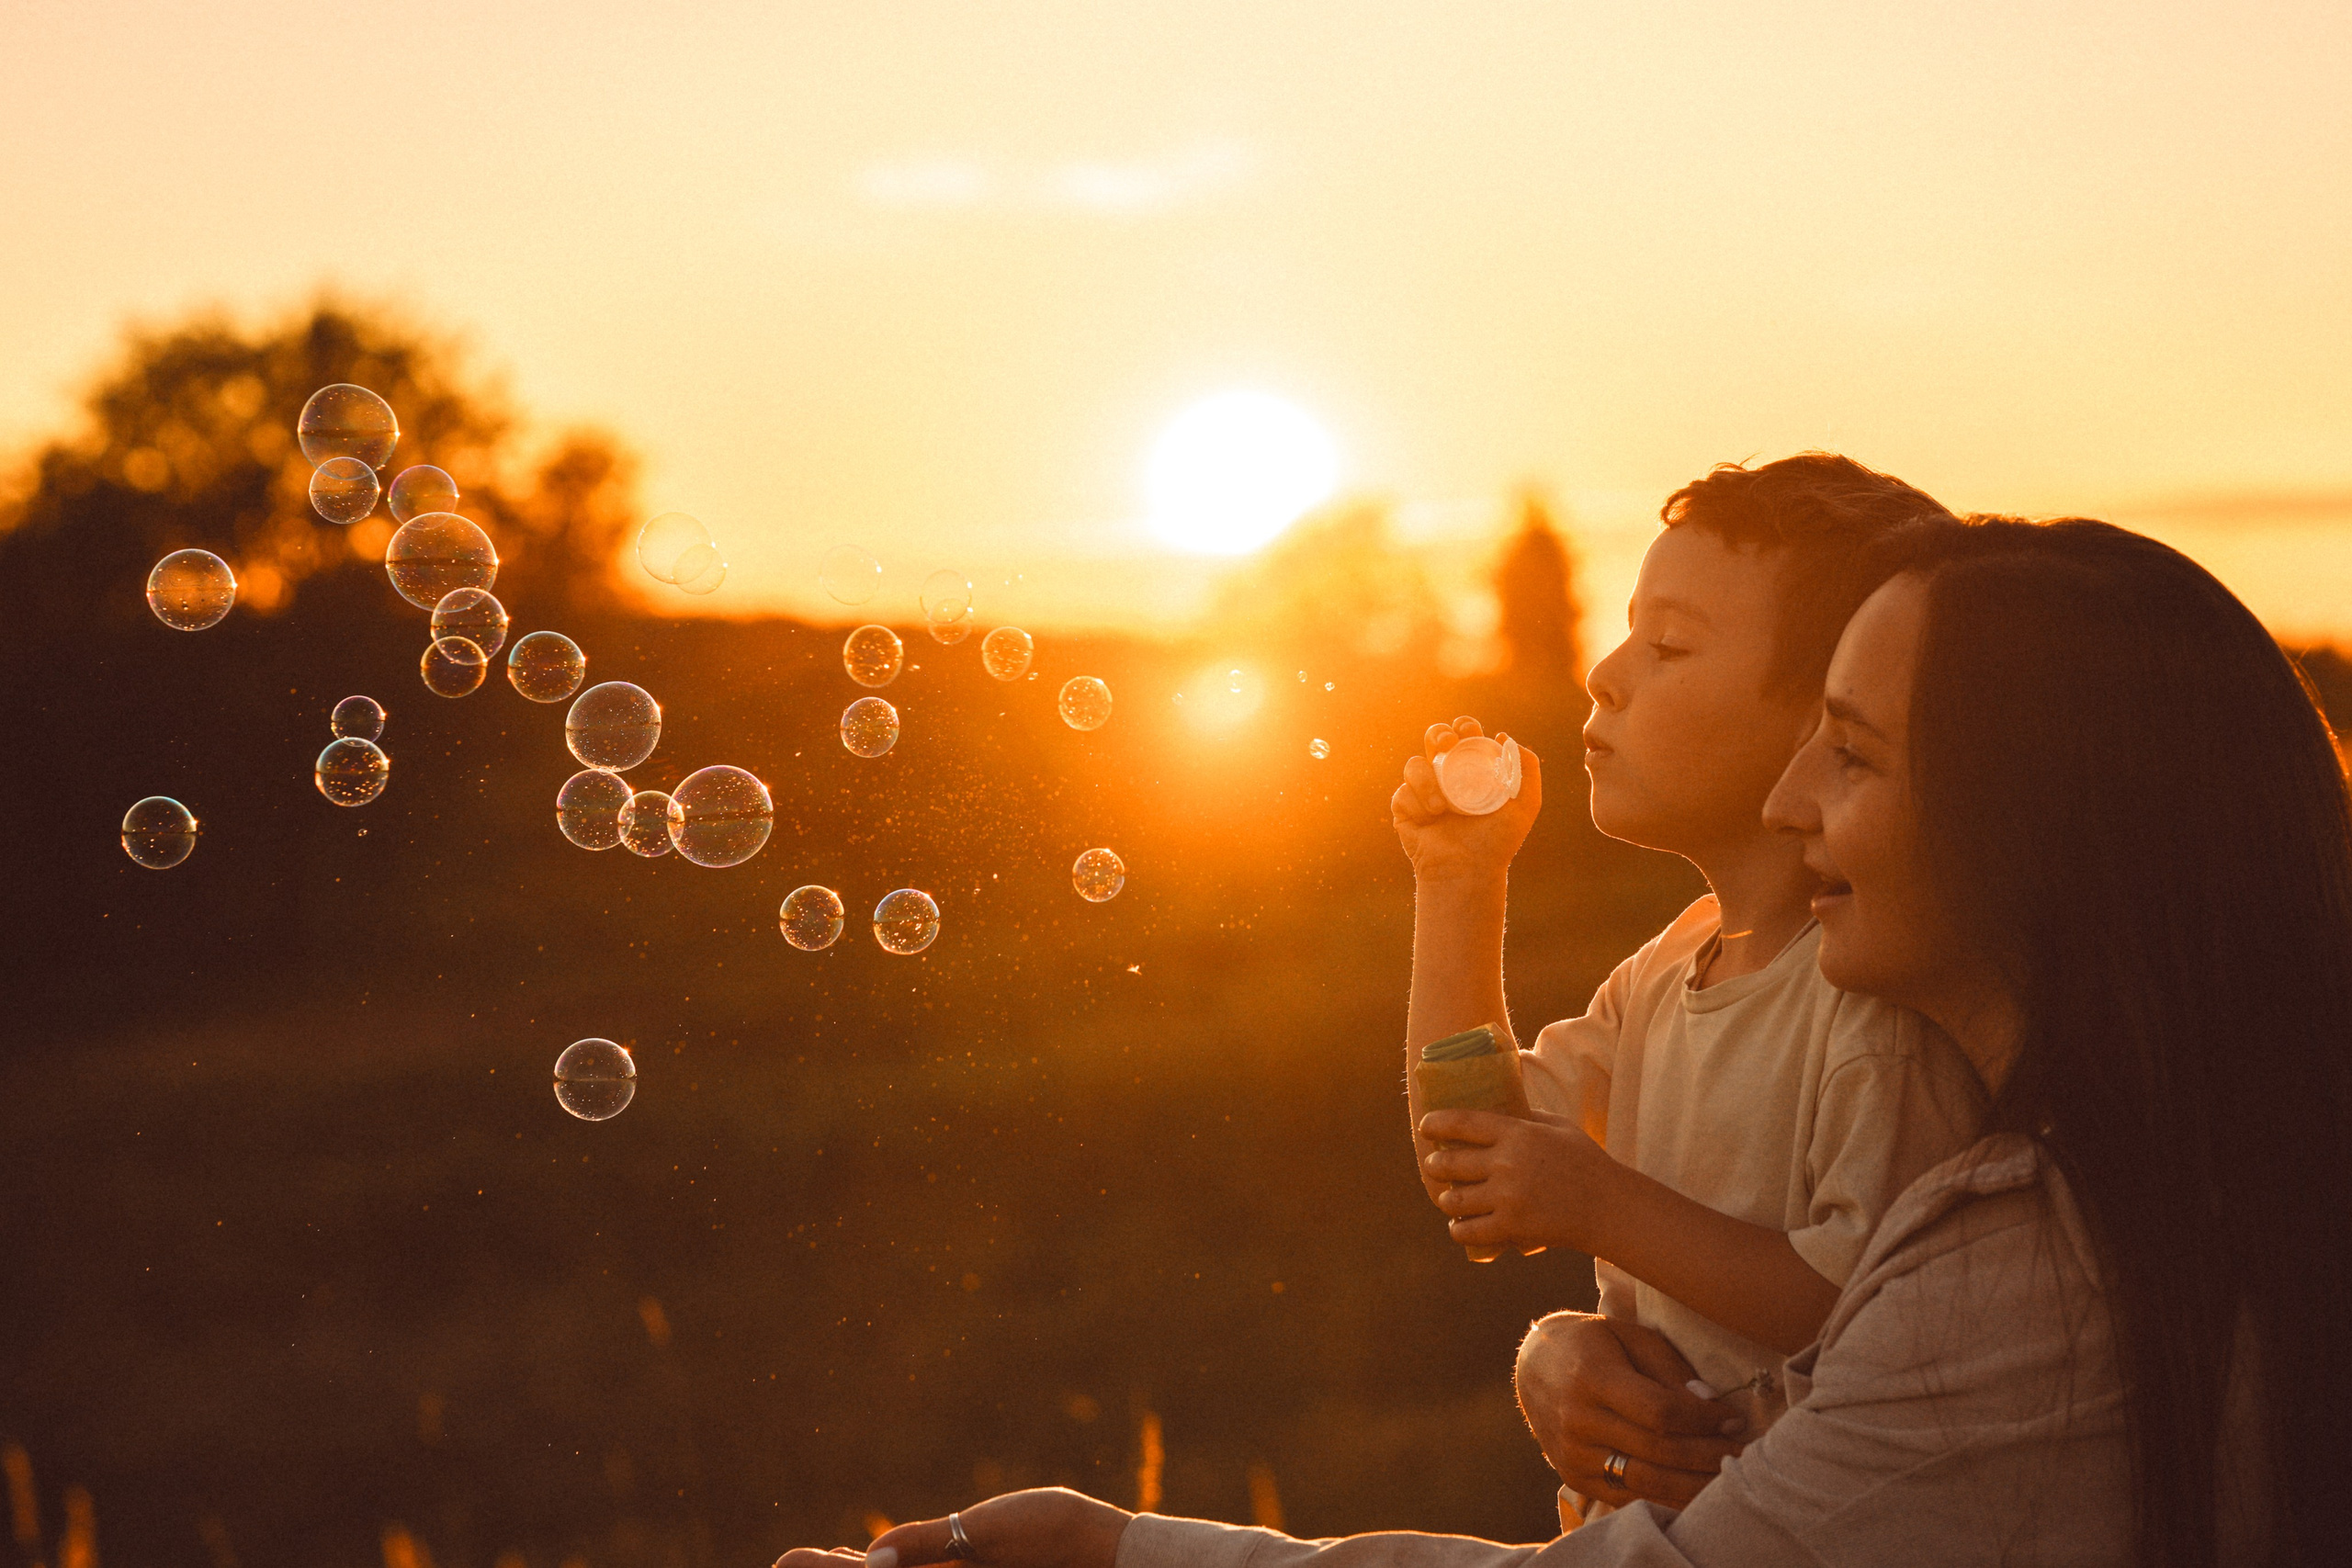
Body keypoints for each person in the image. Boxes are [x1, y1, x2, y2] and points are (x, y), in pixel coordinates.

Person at [776, 516, 2352, 1566]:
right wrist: (1460, 896)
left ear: (2042, 821)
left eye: (1851, 753)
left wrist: (1118, 1552)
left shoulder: (2026, 1249)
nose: (1799, 801)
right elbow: (1475, 1133)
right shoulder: (1683, 985)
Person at [1394, 455, 1984, 1520]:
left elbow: (1862, 1311)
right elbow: (1473, 1160)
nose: (1603, 673)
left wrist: (1600, 1202)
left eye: (1666, 646)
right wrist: (1457, 882)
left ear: (1831, 716)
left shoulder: (1876, 1008)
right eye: (1628, 632)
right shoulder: (1668, 968)